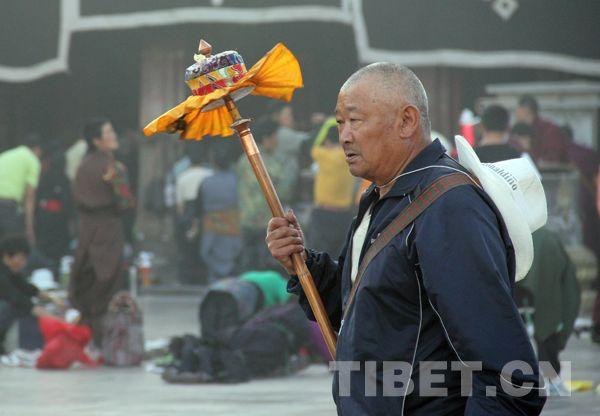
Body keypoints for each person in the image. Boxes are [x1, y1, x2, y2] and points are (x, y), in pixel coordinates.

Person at [266, 63, 546, 414]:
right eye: (340, 122)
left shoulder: (448, 208)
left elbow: (511, 381)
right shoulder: (381, 197)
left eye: (356, 120)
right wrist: (303, 265)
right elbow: (371, 314)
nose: (345, 136)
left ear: (407, 121)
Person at [69, 118, 135, 347]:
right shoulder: (113, 167)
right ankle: (103, 338)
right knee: (108, 282)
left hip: (87, 230)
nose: (114, 135)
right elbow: (125, 202)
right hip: (108, 230)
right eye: (109, 132)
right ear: (97, 140)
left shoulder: (84, 165)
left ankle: (85, 334)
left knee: (88, 278)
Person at [237, 118, 291, 272]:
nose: (277, 142)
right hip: (265, 222)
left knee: (248, 263)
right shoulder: (267, 162)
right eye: (275, 138)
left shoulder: (243, 159)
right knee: (265, 264)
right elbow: (284, 191)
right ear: (266, 138)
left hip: (247, 219)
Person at [0, 235, 64, 354]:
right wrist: (55, 319)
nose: (24, 263)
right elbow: (19, 300)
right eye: (21, 258)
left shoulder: (11, 273)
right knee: (8, 307)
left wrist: (54, 299)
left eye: (25, 258)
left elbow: (29, 289)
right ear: (7, 257)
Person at [308, 116, 355, 255]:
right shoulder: (349, 156)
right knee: (340, 258)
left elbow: (315, 145)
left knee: (317, 257)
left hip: (324, 214)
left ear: (327, 141)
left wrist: (328, 122)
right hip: (345, 215)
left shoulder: (322, 155)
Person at [195, 143, 241, 283]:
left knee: (212, 255)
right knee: (231, 256)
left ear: (214, 162)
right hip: (232, 224)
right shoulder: (237, 181)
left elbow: (199, 205)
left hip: (212, 225)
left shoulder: (206, 182)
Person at [174, 143, 213, 284]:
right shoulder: (210, 175)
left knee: (188, 250)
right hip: (206, 215)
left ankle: (188, 278)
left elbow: (180, 205)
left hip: (188, 215)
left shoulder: (182, 177)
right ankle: (203, 277)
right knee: (205, 247)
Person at [0, 133, 42, 243]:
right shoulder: (32, 160)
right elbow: (30, 196)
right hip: (6, 206)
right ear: (37, 150)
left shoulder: (6, 155)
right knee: (11, 244)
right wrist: (29, 227)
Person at [515, 95, 567, 164]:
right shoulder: (518, 129)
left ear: (525, 110)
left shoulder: (549, 130)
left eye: (518, 109)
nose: (516, 113)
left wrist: (528, 149)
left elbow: (552, 158)